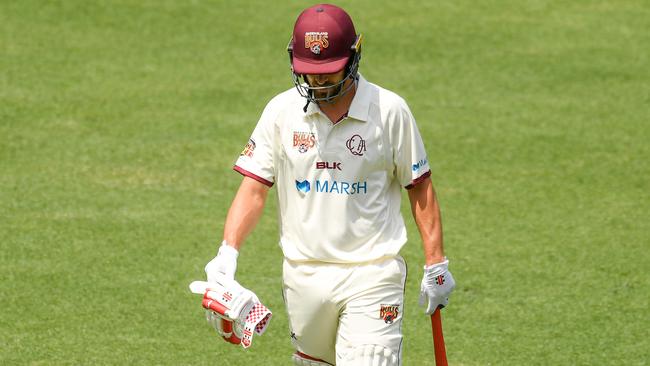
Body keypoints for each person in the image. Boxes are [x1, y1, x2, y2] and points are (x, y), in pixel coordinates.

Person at [203, 4, 455, 365]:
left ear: (353, 59)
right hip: (304, 274)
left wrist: (435, 262)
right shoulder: (281, 112)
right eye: (309, 73)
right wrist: (227, 255)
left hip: (373, 272)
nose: (318, 81)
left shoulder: (390, 111)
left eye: (328, 72)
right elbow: (254, 187)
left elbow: (419, 187)